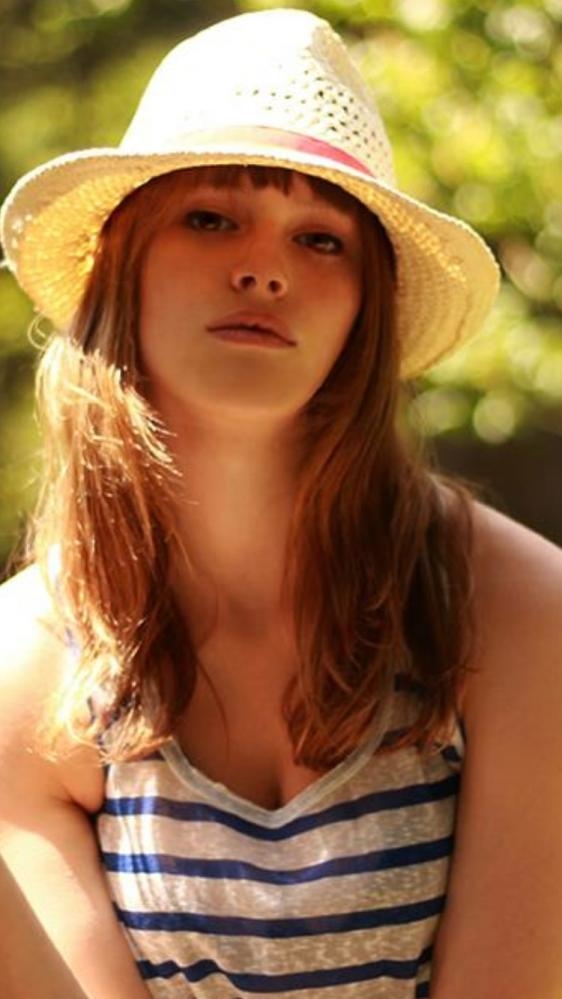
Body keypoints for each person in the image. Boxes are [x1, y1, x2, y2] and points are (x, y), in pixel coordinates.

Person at [0, 7, 561, 998]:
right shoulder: (26, 671)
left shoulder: (518, 611)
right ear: (120, 265)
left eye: (321, 239)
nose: (264, 267)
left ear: (366, 309)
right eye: (210, 219)